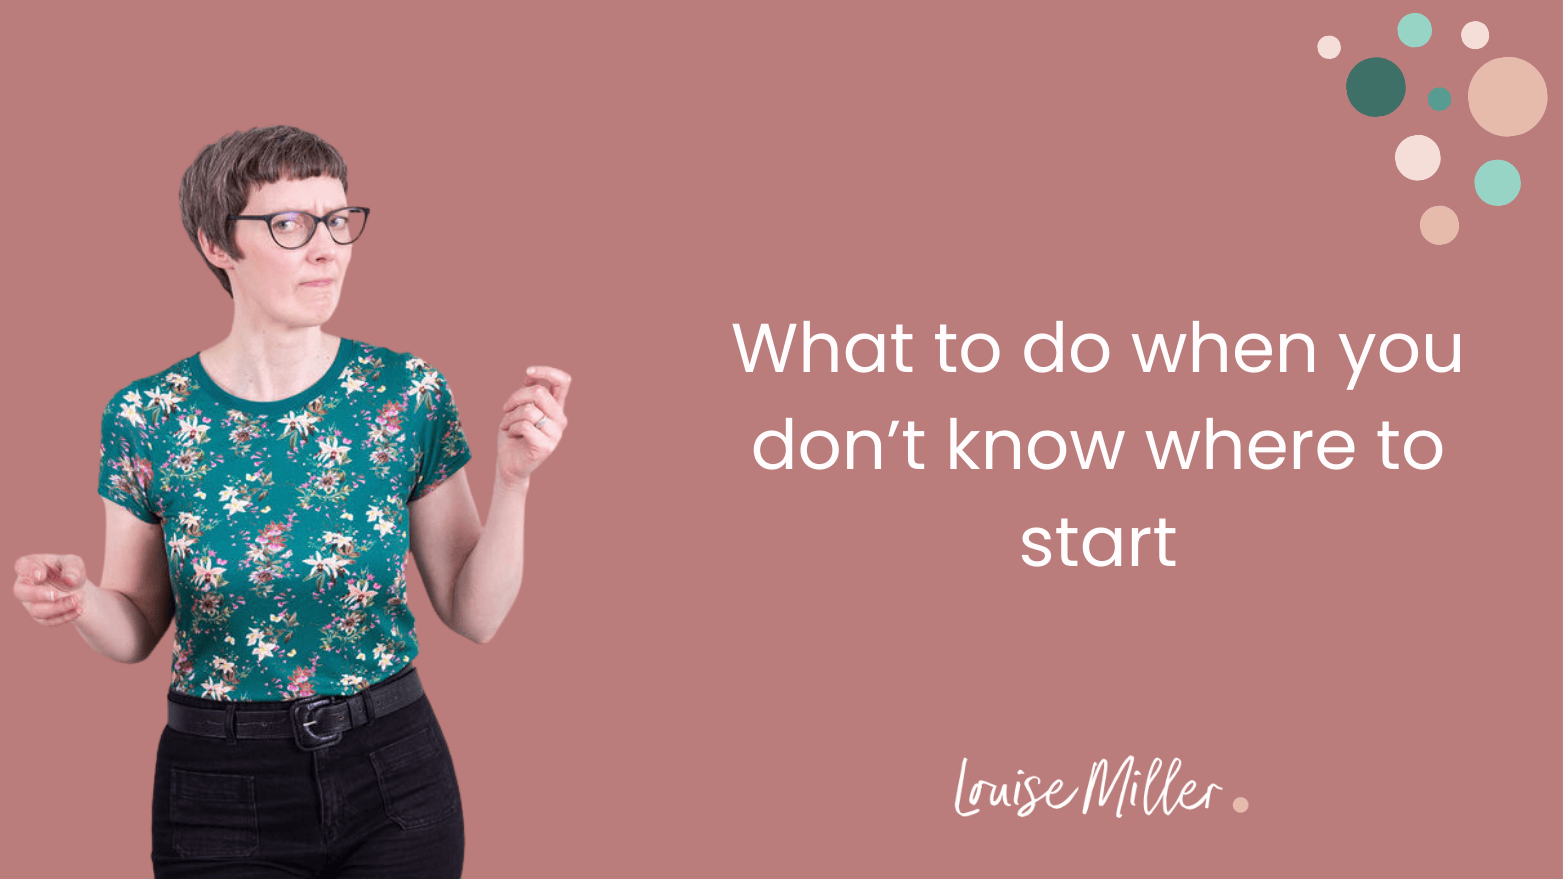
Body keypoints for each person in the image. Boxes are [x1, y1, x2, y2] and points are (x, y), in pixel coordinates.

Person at [11, 125, 569, 878]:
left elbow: (476, 613)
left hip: (395, 773)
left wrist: (516, 479)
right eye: (289, 224)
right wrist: (80, 602)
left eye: (338, 221)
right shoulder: (149, 413)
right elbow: (137, 627)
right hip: (220, 789)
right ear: (216, 243)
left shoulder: (405, 392)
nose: (327, 248)